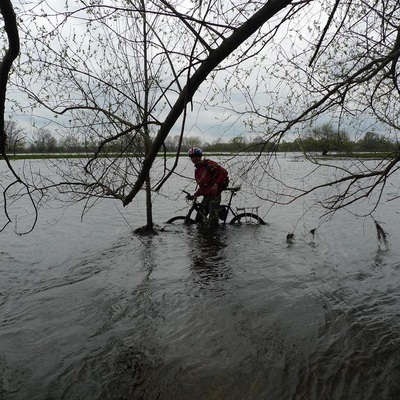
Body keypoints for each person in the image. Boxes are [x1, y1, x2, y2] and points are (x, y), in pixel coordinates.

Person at [188, 147, 229, 227]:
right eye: (192, 157)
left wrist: (216, 184)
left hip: (214, 196)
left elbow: (224, 172)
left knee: (212, 221)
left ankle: (215, 237)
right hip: (206, 197)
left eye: (196, 157)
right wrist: (195, 195)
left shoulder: (209, 164)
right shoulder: (197, 170)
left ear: (200, 157)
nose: (194, 159)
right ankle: (203, 236)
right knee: (199, 219)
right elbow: (203, 186)